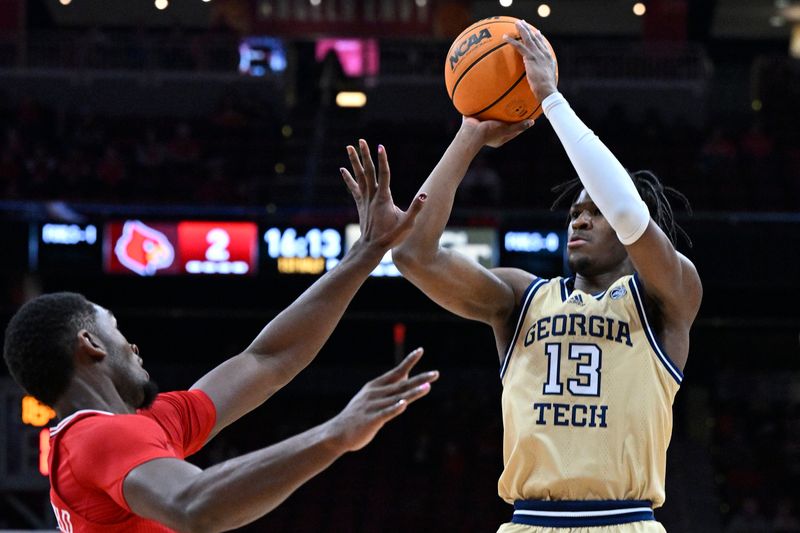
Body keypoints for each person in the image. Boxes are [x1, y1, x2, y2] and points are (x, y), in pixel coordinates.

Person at [3, 141, 438, 533]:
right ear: (90, 345)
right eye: (116, 330)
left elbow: (269, 360)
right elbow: (194, 506)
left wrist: (365, 253)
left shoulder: (142, 425)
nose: (133, 346)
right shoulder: (97, 438)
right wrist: (335, 434)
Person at [390, 21, 702, 532]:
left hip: (624, 519)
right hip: (528, 520)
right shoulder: (521, 297)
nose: (578, 218)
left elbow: (627, 210)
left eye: (592, 210)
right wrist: (469, 134)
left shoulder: (668, 293)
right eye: (574, 212)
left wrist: (551, 100)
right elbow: (412, 256)